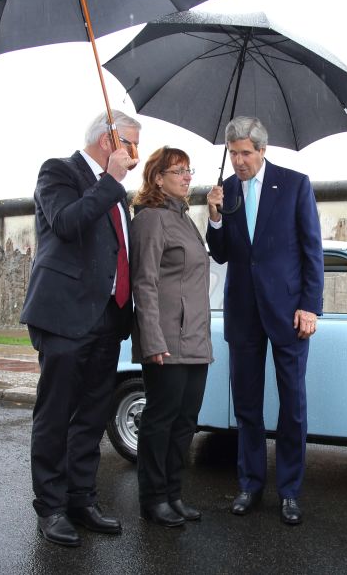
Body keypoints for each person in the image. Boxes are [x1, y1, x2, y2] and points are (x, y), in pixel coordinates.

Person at [19, 110, 141, 547]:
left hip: (109, 317)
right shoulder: (59, 172)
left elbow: (118, 252)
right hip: (65, 316)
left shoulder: (118, 192)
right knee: (56, 414)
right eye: (131, 143)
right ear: (109, 141)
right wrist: (108, 182)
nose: (136, 155)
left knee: (91, 416)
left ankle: (81, 498)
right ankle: (50, 507)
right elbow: (68, 223)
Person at [205, 116, 324, 525]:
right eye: (233, 153)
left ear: (262, 151)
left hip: (290, 314)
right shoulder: (227, 192)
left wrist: (310, 306)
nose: (239, 161)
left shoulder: (294, 184)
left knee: (292, 406)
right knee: (247, 407)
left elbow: (312, 251)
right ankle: (250, 484)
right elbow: (220, 254)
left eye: (245, 153)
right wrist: (216, 216)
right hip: (243, 312)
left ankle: (289, 491)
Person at [130, 147, 213, 527]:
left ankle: (174, 494)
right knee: (160, 420)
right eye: (177, 171)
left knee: (186, 422)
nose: (186, 176)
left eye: (188, 170)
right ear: (157, 178)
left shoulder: (185, 219)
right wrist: (152, 339)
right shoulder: (151, 219)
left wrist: (213, 215)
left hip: (195, 339)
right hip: (166, 339)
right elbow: (144, 282)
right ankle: (153, 498)